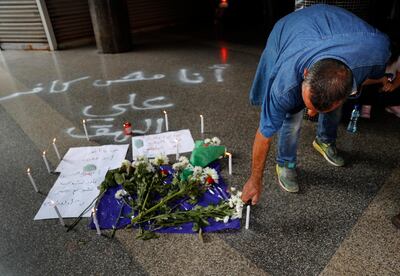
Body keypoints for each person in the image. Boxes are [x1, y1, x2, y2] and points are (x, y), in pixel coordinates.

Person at [241, 4, 391, 205]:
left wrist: (383, 80)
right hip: (290, 30)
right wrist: (255, 180)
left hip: (339, 31)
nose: (310, 113)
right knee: (291, 116)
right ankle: (286, 162)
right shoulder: (285, 84)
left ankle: (325, 140)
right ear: (305, 74)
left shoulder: (377, 51)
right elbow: (264, 134)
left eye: (316, 110)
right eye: (308, 104)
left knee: (332, 97)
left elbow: (363, 78)